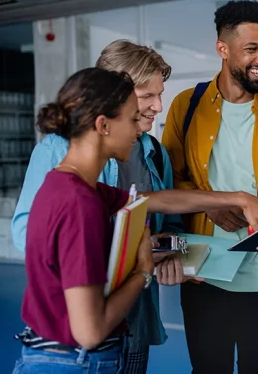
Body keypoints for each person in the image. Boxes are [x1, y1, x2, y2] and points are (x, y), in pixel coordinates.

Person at [12, 45, 258, 370]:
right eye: (132, 115)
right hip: (76, 356)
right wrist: (142, 269)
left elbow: (157, 202)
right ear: (104, 122)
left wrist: (238, 198)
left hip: (116, 332)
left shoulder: (87, 186)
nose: (146, 121)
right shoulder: (79, 202)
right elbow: (89, 330)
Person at [162, 0, 258, 374]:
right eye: (251, 49)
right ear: (223, 49)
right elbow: (168, 183)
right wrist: (207, 205)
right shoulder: (186, 106)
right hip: (204, 275)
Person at [12, 40, 179, 374]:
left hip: (135, 315)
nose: (158, 106)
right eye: (147, 96)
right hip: (80, 324)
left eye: (160, 94)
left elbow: (167, 221)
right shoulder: (57, 151)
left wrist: (169, 252)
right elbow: (24, 233)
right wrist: (125, 254)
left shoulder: (155, 153)